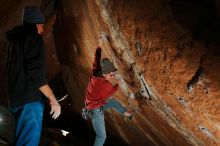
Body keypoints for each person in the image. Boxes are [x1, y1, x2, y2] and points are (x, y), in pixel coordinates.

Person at [5, 6, 61, 146]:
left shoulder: (13, 42)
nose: (42, 31)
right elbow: (36, 73)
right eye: (41, 26)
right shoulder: (34, 38)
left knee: (19, 141)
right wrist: (52, 98)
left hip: (15, 101)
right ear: (37, 24)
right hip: (29, 102)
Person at [84, 43, 132, 146]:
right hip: (96, 109)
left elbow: (97, 58)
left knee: (113, 103)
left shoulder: (96, 70)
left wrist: (99, 47)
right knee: (101, 137)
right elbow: (112, 92)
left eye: (114, 73)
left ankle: (125, 113)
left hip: (92, 102)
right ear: (105, 74)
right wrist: (118, 84)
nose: (113, 76)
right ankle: (88, 113)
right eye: (111, 75)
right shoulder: (104, 85)